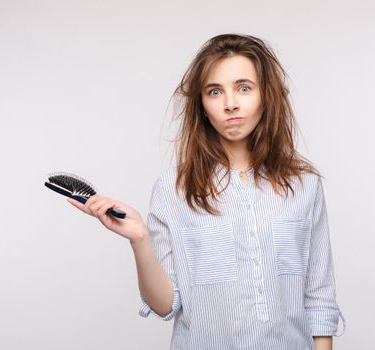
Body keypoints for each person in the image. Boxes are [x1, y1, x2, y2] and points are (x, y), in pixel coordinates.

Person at [68, 33, 346, 350]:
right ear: (201, 105)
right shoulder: (174, 188)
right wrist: (139, 239)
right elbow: (164, 304)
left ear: (266, 96)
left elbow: (319, 300)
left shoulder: (305, 184)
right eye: (215, 91)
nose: (230, 104)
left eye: (244, 88)